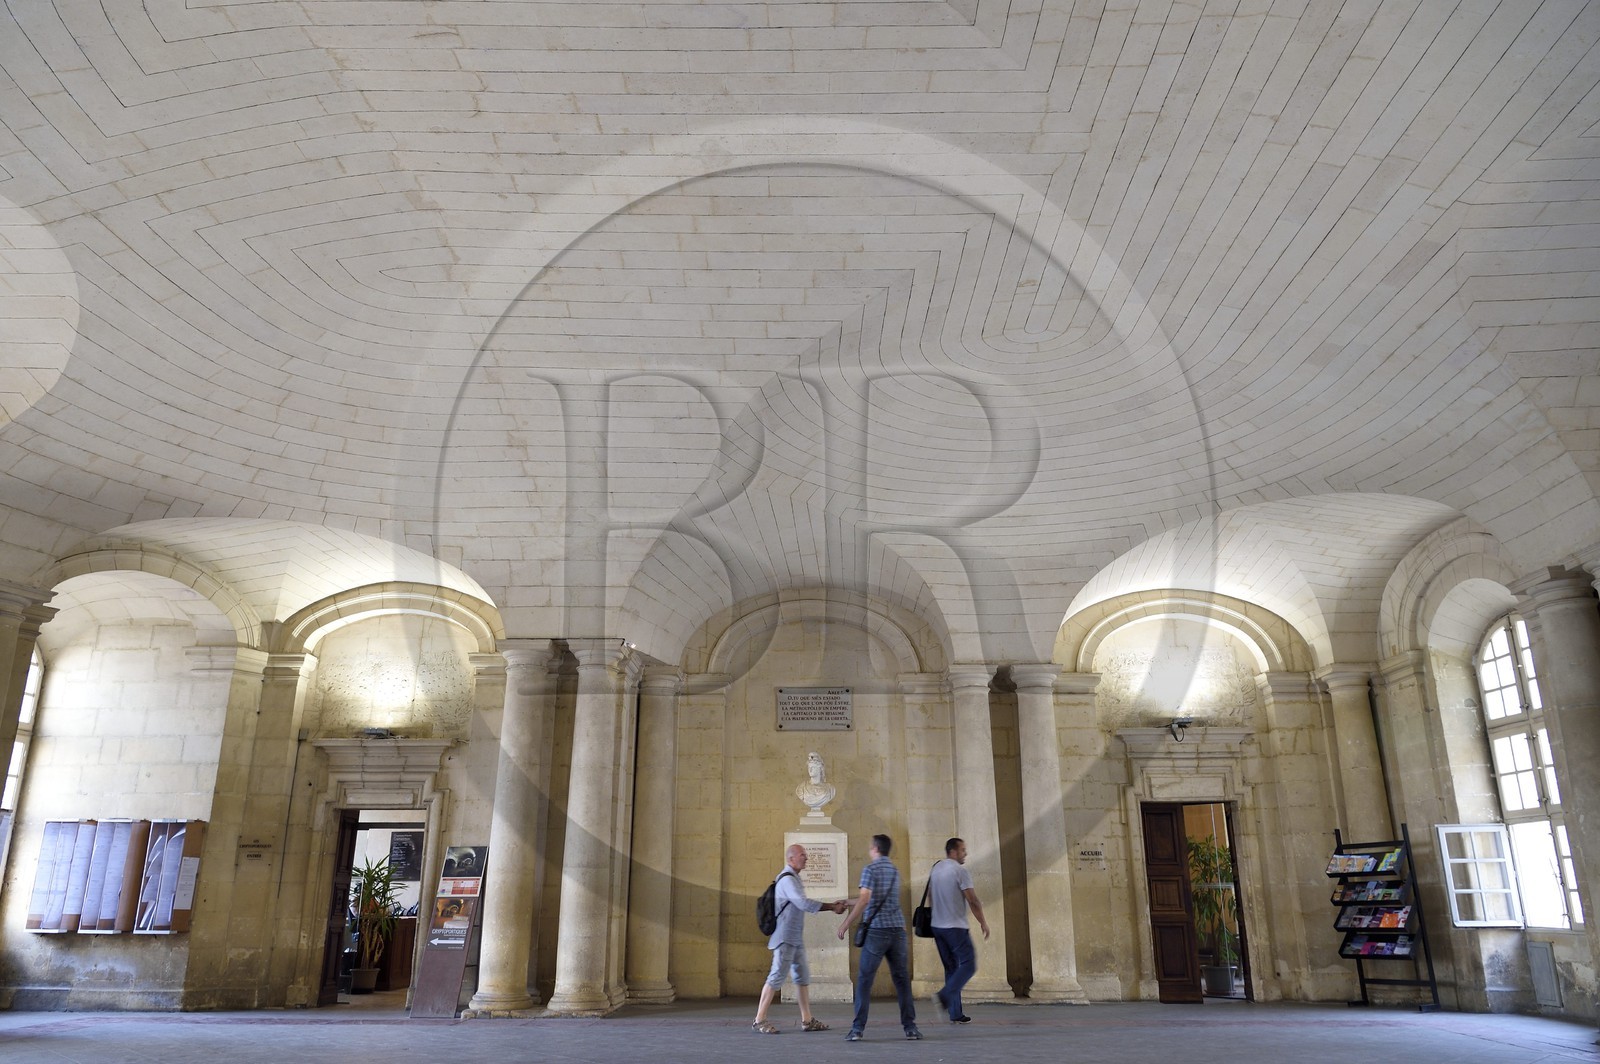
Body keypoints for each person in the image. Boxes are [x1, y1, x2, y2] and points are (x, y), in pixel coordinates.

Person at [753, 844, 848, 1034]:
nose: (806, 858)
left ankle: (807, 1020)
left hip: (794, 937)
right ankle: (759, 1020)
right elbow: (803, 903)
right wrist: (831, 907)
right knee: (776, 976)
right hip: (784, 938)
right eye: (802, 855)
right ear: (791, 859)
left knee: (802, 977)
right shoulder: (788, 879)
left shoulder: (794, 878)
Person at [836, 833, 919, 1041]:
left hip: (877, 932)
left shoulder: (870, 869)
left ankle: (857, 1029)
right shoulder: (895, 871)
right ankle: (910, 1027)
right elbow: (872, 898)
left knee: (865, 980)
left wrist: (846, 923)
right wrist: (848, 901)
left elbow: (866, 900)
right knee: (902, 980)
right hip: (897, 931)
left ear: (875, 848)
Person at [928, 836, 990, 1023]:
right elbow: (973, 900)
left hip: (937, 926)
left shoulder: (936, 869)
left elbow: (931, 896)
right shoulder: (960, 871)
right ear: (953, 852)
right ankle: (943, 997)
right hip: (955, 927)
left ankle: (955, 1013)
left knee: (951, 968)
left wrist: (937, 915)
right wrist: (983, 922)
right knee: (968, 964)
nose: (966, 853)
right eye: (963, 850)